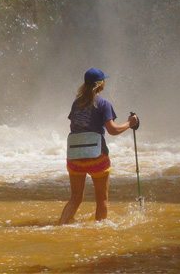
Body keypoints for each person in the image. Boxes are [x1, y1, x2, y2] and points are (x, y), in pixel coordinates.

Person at [59, 68, 139, 225]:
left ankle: (60, 225)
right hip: (97, 157)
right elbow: (113, 130)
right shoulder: (104, 104)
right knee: (102, 198)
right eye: (104, 80)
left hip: (75, 156)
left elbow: (75, 127)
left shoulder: (77, 103)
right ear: (100, 84)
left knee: (76, 198)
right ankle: (100, 231)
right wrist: (130, 123)